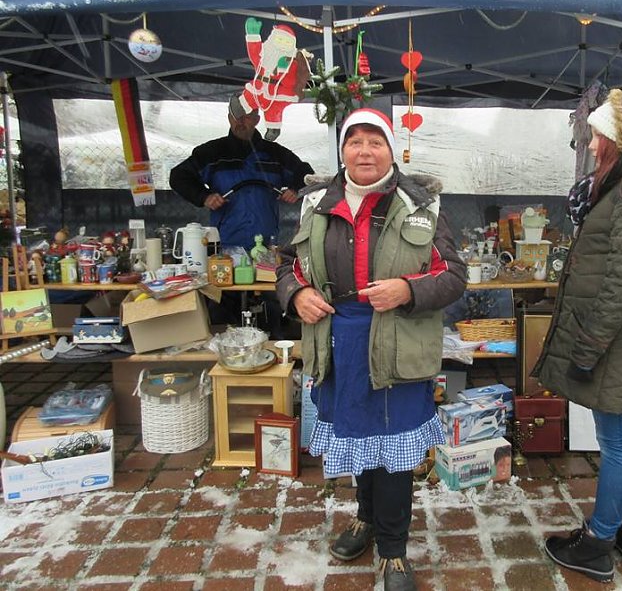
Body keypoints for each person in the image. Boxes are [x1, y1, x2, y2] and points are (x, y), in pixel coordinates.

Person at [276, 108, 466, 591]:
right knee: (360, 441)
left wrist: (408, 289)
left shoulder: (422, 205)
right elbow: (289, 267)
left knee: (396, 450)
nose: (364, 150)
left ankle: (395, 549)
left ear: (390, 149)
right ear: (342, 150)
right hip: (341, 341)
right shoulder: (315, 203)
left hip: (398, 340)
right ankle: (365, 518)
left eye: (374, 141)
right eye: (354, 141)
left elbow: (453, 276)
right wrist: (296, 295)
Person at [532, 88, 622, 583]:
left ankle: (598, 542)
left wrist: (590, 346)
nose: (593, 146)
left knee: (616, 442)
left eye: (601, 136)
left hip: (619, 337)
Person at [169, 91, 314, 252]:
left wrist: (295, 189)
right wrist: (204, 196)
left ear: (257, 120)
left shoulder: (276, 154)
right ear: (229, 118)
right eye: (235, 116)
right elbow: (178, 176)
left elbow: (307, 175)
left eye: (246, 117)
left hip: (267, 247)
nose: (240, 122)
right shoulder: (212, 153)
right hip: (225, 246)